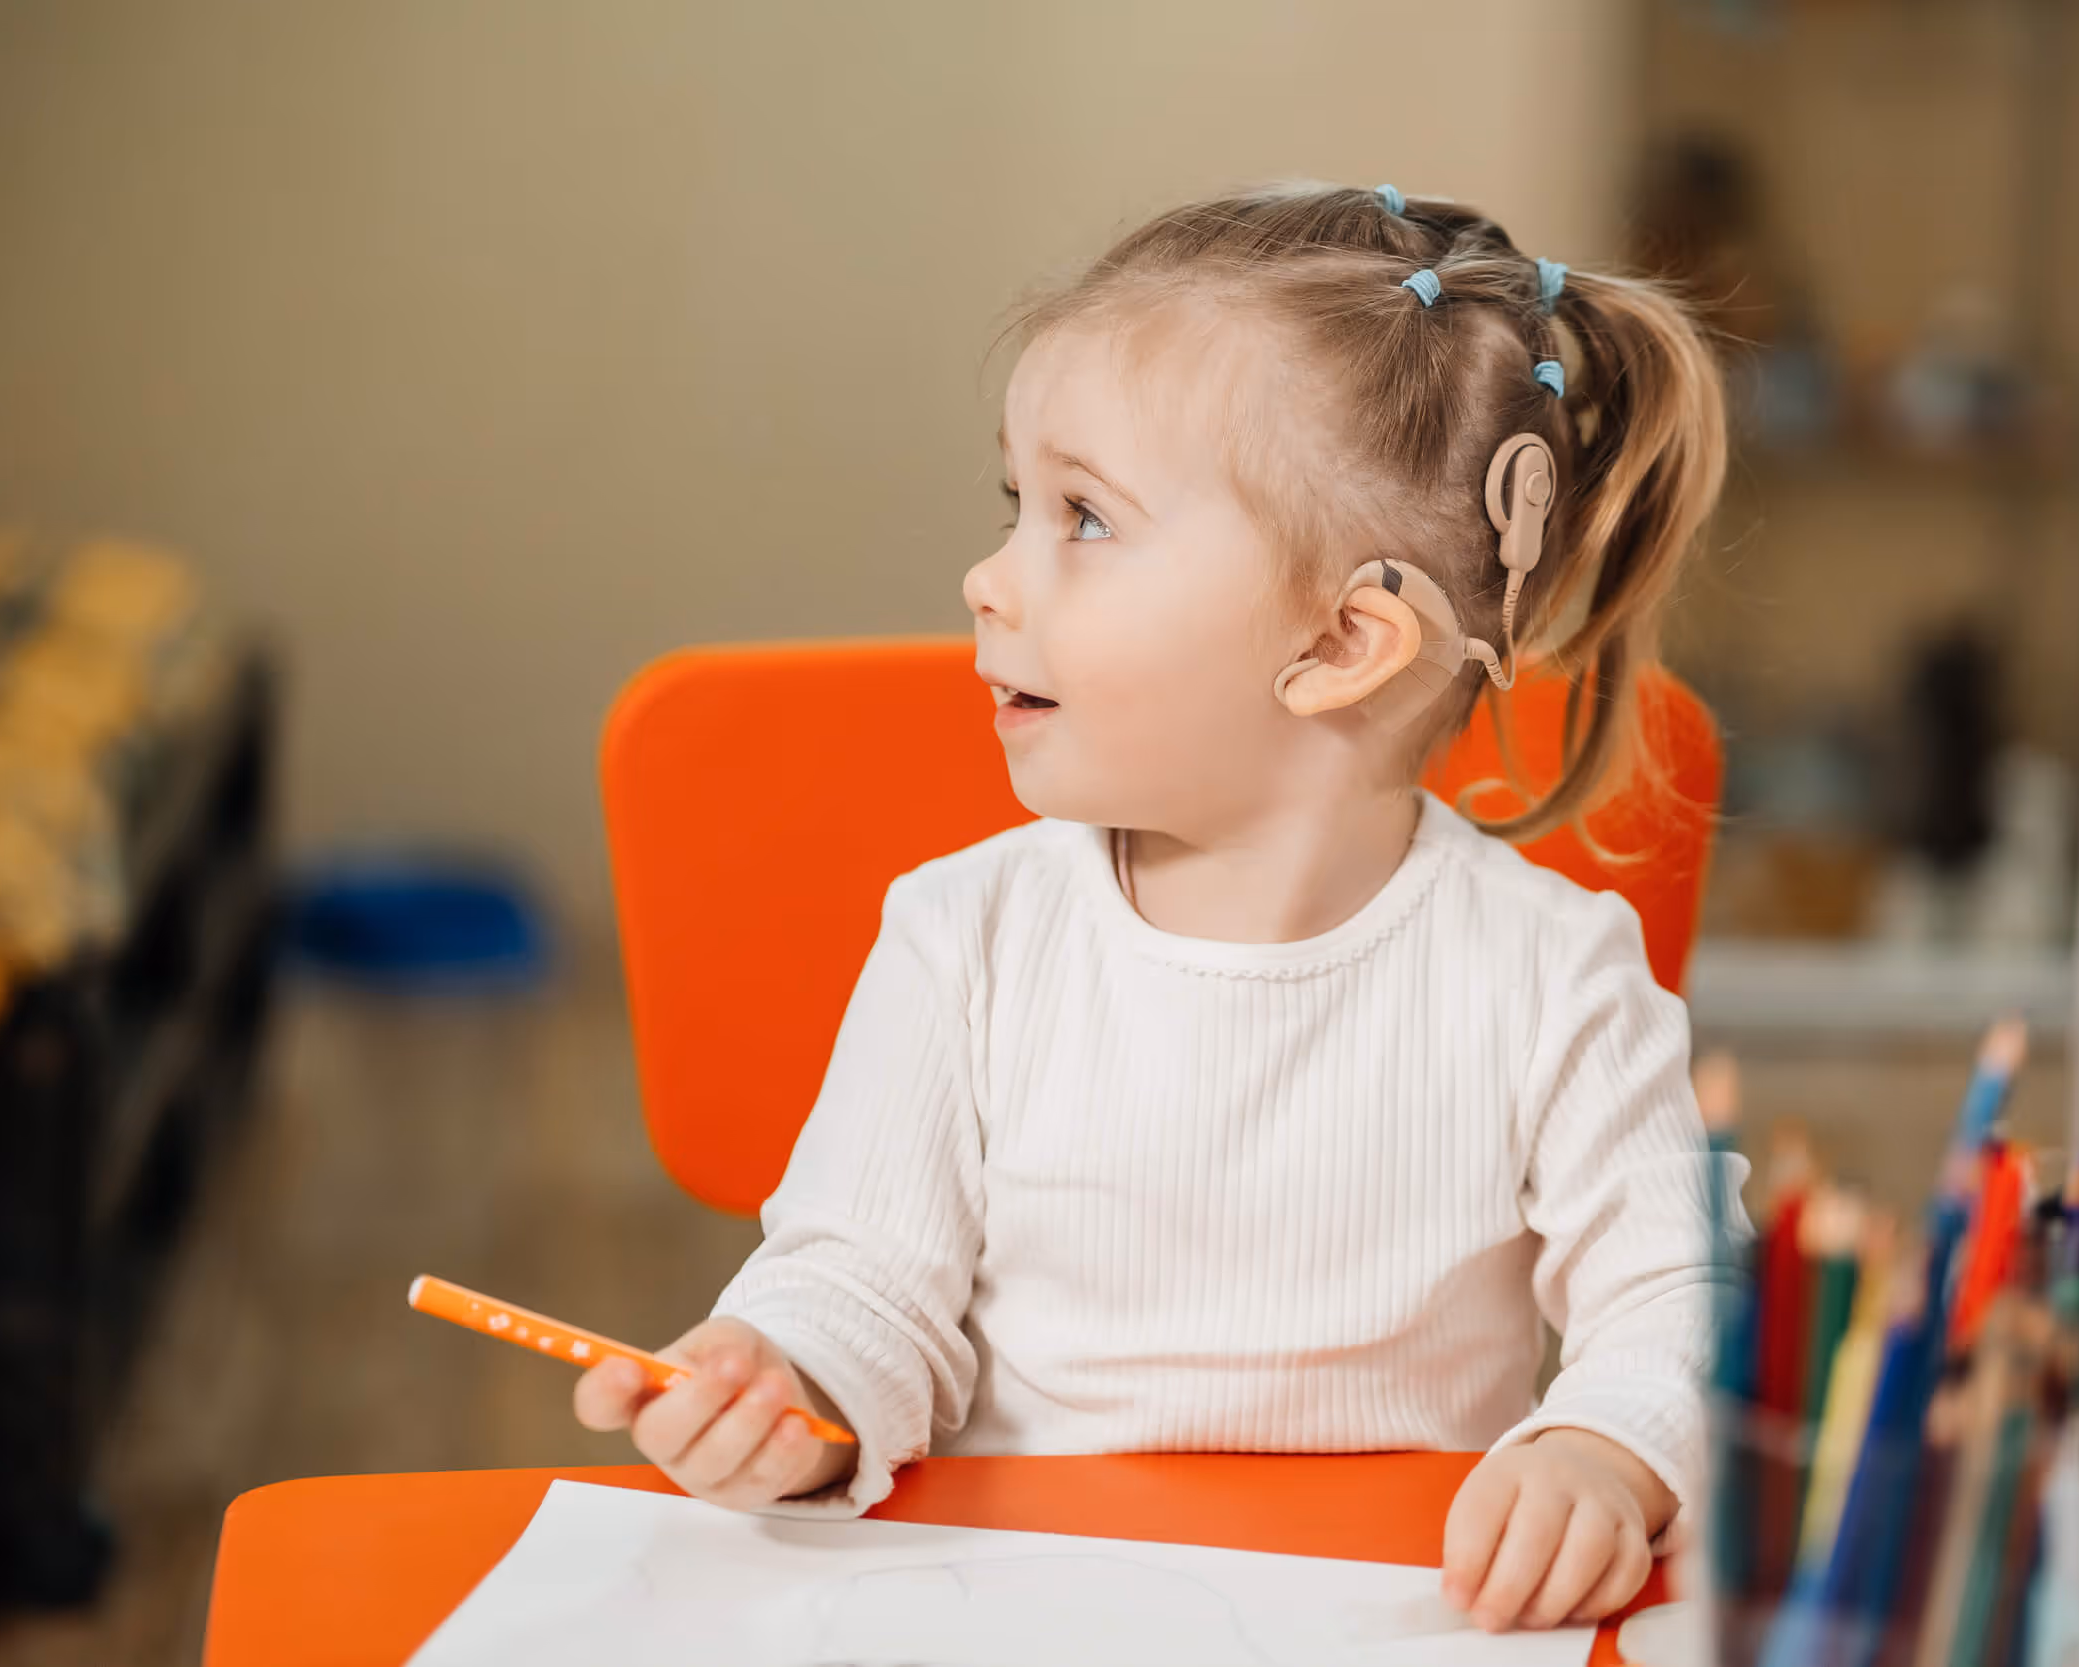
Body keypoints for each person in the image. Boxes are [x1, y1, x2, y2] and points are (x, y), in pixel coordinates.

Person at [575, 181, 1750, 1634]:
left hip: (1400, 1615)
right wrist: (788, 1385)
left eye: (1084, 517)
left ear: (1338, 639)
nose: (989, 578)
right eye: (1018, 505)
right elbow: (865, 1282)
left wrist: (1608, 1445)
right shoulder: (967, 940)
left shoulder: (1553, 973)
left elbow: (1686, 1294)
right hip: (1024, 1611)